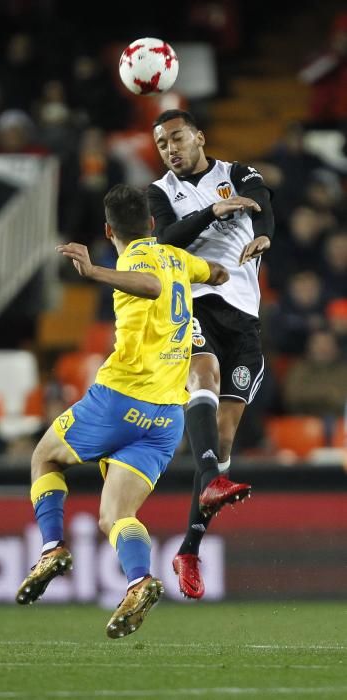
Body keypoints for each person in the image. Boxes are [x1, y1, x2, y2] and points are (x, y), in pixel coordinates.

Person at [15, 183, 236, 638]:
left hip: (121, 399)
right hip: (165, 418)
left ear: (108, 229)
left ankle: (52, 546)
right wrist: (213, 273)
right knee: (115, 516)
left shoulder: (132, 258)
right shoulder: (176, 257)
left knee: (45, 456)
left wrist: (94, 272)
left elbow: (150, 285)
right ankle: (139, 580)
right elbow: (217, 274)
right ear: (153, 224)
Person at [148, 109, 275, 599]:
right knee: (204, 369)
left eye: (176, 138)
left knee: (221, 447)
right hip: (194, 302)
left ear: (199, 136)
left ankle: (189, 550)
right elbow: (164, 240)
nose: (170, 149)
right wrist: (213, 213)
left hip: (243, 316)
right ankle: (207, 484)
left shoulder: (236, 173)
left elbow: (262, 201)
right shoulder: (162, 192)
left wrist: (265, 232)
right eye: (161, 144)